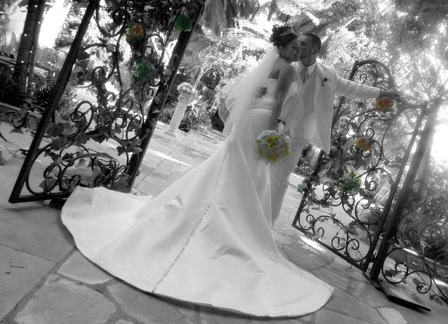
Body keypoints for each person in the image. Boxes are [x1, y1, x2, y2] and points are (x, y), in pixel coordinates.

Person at [61, 25, 333, 318]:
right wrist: (274, 129)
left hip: (249, 118)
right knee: (247, 173)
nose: (297, 52)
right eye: (294, 47)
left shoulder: (273, 63)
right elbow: (278, 100)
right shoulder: (289, 69)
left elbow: (253, 94)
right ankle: (236, 223)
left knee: (231, 166)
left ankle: (217, 211)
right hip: (263, 120)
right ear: (283, 48)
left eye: (299, 48)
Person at [270, 32, 400, 224]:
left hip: (297, 138)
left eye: (303, 44)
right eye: (297, 43)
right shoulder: (287, 65)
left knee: (280, 181)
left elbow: (352, 88)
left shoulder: (327, 74)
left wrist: (382, 92)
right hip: (274, 129)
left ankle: (266, 222)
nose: (298, 46)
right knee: (260, 174)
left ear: (315, 50)